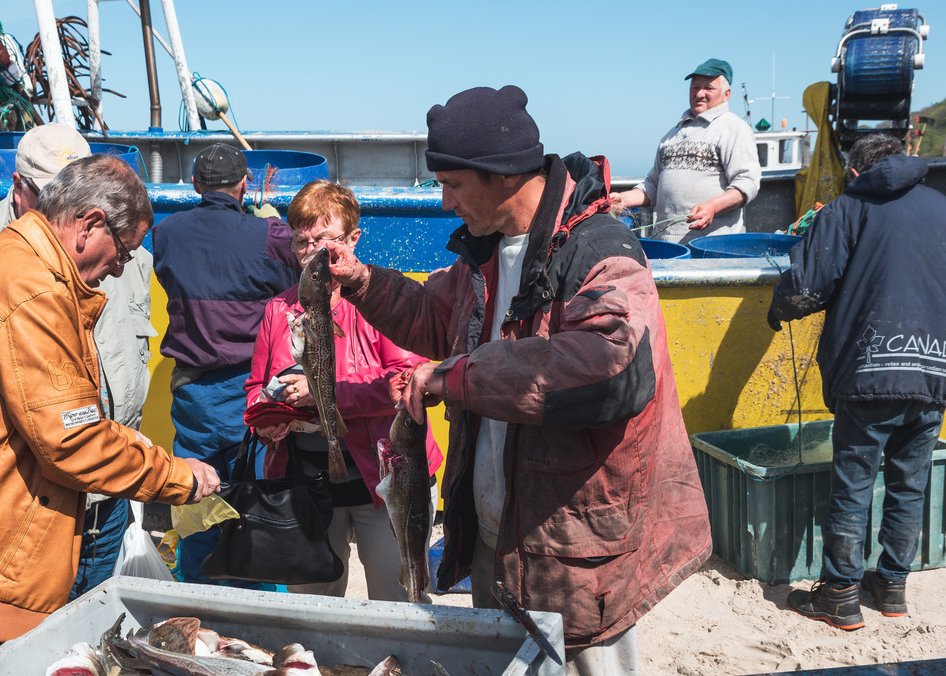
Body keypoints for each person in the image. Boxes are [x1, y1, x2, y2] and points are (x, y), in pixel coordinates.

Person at [322, 85, 711, 673]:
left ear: (500, 175)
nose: (446, 202)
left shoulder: (600, 248)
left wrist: (455, 377)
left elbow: (610, 368)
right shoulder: (485, 253)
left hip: (576, 546)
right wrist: (360, 281)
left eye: (452, 184)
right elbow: (437, 320)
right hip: (495, 535)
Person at [0, 154, 219, 676]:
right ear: (90, 224)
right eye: (124, 251)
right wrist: (176, 475)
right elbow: (73, 440)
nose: (122, 268)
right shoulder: (32, 292)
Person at [0, 124, 156, 599]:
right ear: (18, 185)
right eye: (49, 195)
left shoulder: (125, 254)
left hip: (105, 498)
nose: (61, 211)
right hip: (6, 512)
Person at [769, 133, 946, 630]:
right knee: (910, 484)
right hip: (935, 368)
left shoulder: (847, 208)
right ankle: (891, 587)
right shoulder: (940, 206)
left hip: (869, 371)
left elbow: (807, 287)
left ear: (854, 172)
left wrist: (776, 310)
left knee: (853, 483)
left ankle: (840, 595)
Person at [244, 180, 444, 601]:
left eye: (323, 239)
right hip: (306, 482)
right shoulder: (278, 309)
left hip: (386, 477)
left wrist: (324, 397)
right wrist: (268, 418)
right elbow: (253, 389)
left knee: (399, 599)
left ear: (354, 238)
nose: (311, 251)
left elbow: (406, 386)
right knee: (312, 605)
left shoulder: (384, 301)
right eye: (301, 241)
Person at [152, 142, 300, 585]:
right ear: (244, 183)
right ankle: (261, 601)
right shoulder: (271, 236)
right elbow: (292, 285)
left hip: (193, 394)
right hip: (251, 392)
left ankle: (201, 602)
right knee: (259, 502)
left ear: (195, 183)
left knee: (196, 501)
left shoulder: (167, 232)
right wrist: (269, 224)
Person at [610, 58, 761, 244]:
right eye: (695, 87)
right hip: (666, 242)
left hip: (712, 244)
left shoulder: (734, 129)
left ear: (726, 94)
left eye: (709, 88)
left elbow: (747, 184)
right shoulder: (671, 135)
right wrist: (621, 200)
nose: (700, 93)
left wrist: (713, 207)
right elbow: (652, 186)